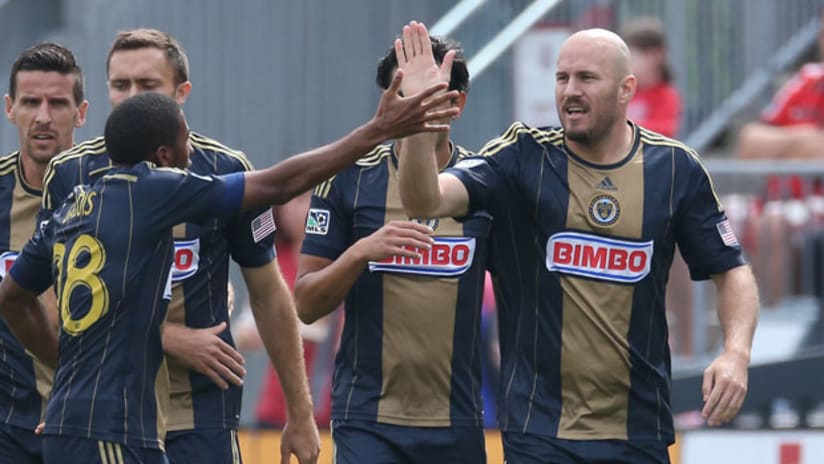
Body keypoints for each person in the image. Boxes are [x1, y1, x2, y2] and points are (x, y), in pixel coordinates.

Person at [0, 83, 458, 463]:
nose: (192, 149)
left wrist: (66, 378)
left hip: (75, 424)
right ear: (162, 155)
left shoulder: (76, 206)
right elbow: (278, 184)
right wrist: (377, 131)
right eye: (185, 140)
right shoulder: (153, 188)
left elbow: (12, 297)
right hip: (112, 430)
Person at [397, 24, 760, 463]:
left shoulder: (675, 169)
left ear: (627, 88)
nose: (570, 91)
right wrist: (420, 122)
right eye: (562, 78)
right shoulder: (521, 156)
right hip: (539, 431)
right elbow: (425, 198)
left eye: (587, 78)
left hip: (637, 429)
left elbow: (732, 270)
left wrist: (735, 353)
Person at [39, 29, 310, 464]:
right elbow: (55, 305)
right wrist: (166, 337)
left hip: (200, 408)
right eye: (119, 85)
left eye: (147, 86)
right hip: (112, 411)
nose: (130, 97)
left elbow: (269, 291)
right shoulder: (72, 172)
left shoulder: (224, 169)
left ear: (180, 93)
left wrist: (300, 412)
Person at [293, 28, 489, 463]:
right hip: (367, 419)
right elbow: (304, 303)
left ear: (456, 105)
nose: (412, 110)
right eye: (402, 96)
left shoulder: (484, 183)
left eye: (427, 96)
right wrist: (360, 251)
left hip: (456, 420)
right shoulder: (349, 178)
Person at [0, 42, 88, 464]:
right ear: (10, 108)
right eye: (31, 102)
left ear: (81, 112)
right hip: (7, 425)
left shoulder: (118, 189)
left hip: (94, 420)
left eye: (57, 103)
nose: (43, 116)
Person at [737, 8, 824, 158]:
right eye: (823, 34)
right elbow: (749, 143)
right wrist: (801, 140)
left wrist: (785, 149)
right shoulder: (809, 78)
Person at [621, 16, 682, 138]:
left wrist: (623, 126)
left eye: (631, 57)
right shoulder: (624, 91)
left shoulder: (666, 95)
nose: (625, 64)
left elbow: (665, 130)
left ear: (655, 55)